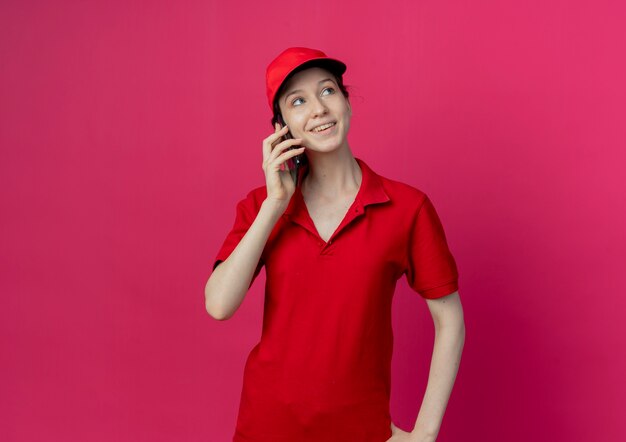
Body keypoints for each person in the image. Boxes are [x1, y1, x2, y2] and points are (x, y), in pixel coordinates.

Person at [205, 47, 465, 442]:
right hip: (266, 426)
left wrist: (425, 433)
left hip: (360, 430)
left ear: (346, 102)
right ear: (281, 127)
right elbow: (219, 305)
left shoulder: (407, 208)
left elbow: (450, 320)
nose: (318, 109)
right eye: (298, 101)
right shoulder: (262, 205)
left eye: (327, 91)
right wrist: (276, 204)